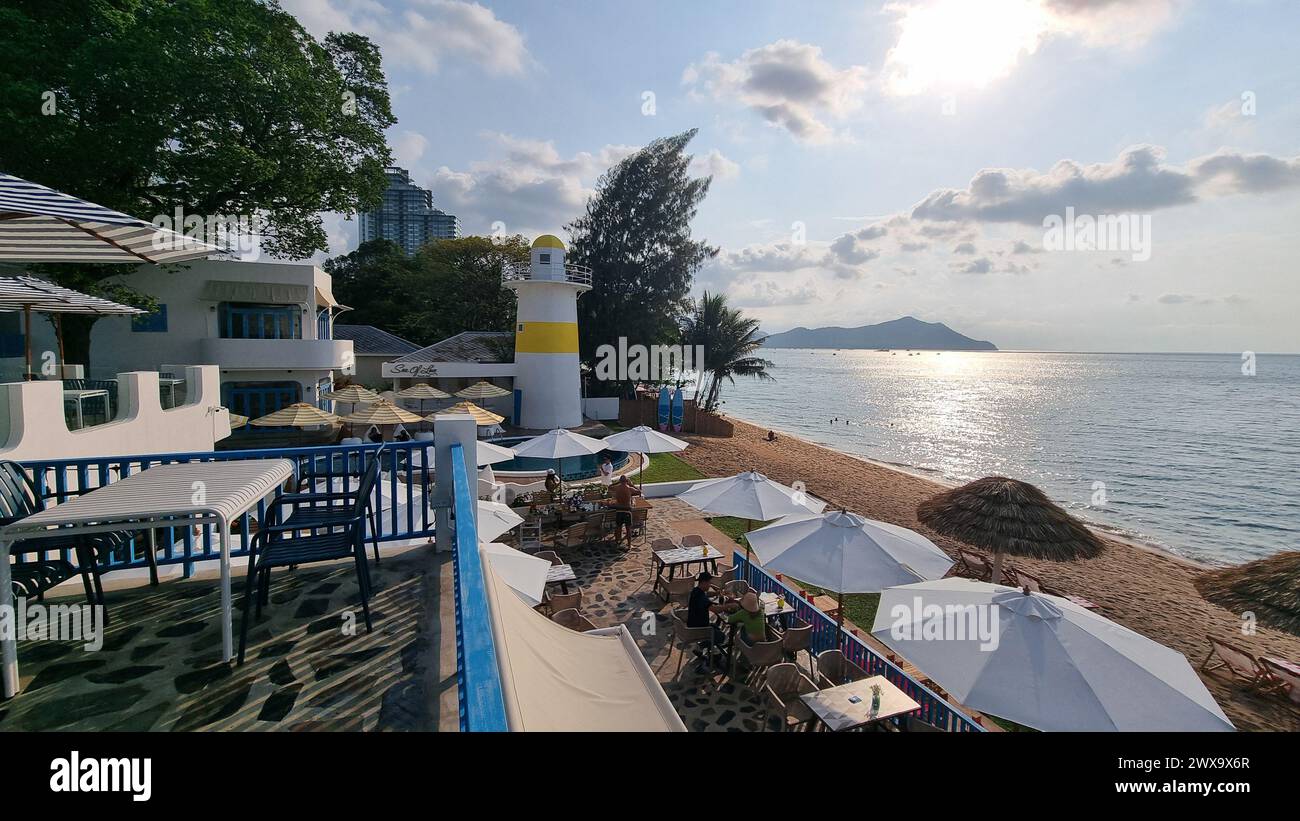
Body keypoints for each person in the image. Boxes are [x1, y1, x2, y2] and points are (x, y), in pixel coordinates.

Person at [610, 475, 642, 547]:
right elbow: (639, 491)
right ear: (627, 481)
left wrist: (616, 483)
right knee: (628, 529)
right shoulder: (630, 489)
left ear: (620, 481)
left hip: (619, 510)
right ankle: (629, 545)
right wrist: (631, 484)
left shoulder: (616, 488)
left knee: (618, 528)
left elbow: (609, 487)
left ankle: (618, 541)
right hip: (627, 511)